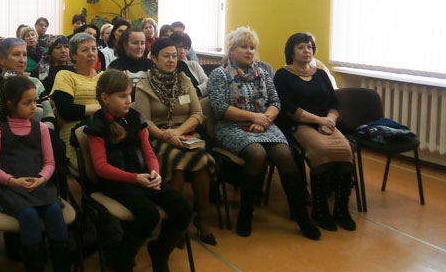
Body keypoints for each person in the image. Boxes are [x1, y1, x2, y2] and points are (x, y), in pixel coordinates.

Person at [206, 26, 320, 240]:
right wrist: (254, 117)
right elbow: (221, 109)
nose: (249, 51)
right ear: (232, 50)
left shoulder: (263, 73)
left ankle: (301, 215)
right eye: (244, 47)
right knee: (257, 154)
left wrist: (264, 119)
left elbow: (276, 102)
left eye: (252, 47)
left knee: (285, 154)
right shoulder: (219, 74)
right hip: (231, 126)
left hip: (264, 123)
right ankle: (245, 214)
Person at [85, 70, 192, 272]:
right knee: (148, 215)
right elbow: (101, 167)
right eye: (122, 96)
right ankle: (123, 261)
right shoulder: (97, 124)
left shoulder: (135, 117)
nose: (129, 100)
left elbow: (148, 151)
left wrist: (155, 173)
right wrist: (135, 178)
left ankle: (159, 253)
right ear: (105, 98)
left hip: (145, 178)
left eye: (130, 94)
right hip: (117, 183)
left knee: (182, 209)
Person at [0, 76, 79, 272]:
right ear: (10, 104)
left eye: (35, 101)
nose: (34, 107)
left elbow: (49, 163)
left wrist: (42, 178)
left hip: (39, 184)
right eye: (27, 103)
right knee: (27, 215)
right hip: (11, 188)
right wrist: (13, 181)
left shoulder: (41, 128)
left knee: (54, 212)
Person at [134, 39, 217, 245]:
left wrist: (178, 132)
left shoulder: (184, 80)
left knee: (202, 161)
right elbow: (144, 122)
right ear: (154, 59)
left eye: (174, 56)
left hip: (185, 133)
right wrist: (166, 136)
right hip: (158, 136)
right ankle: (177, 222)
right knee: (176, 163)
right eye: (166, 56)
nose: (172, 60)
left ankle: (202, 218)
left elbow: (197, 113)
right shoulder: (144, 85)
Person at [273, 32, 355, 231]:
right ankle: (319, 209)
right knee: (321, 151)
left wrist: (330, 120)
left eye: (309, 47)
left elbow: (335, 103)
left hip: (326, 124)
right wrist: (320, 120)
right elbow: (289, 108)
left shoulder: (320, 74)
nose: (306, 51)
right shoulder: (283, 75)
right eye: (301, 47)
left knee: (345, 151)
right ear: (291, 51)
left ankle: (341, 209)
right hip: (299, 125)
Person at [0, 37, 55, 131]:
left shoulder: (36, 83)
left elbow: (49, 118)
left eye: (24, 55)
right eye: (16, 55)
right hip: (2, 138)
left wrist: (40, 135)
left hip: (39, 137)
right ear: (2, 59)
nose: (22, 60)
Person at [50, 33, 102, 169]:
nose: (91, 53)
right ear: (73, 55)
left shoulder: (105, 76)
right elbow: (66, 111)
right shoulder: (65, 76)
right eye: (85, 50)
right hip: (77, 136)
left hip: (106, 130)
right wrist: (103, 109)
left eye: (94, 49)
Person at [108, 27, 152, 99]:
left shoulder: (151, 65)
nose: (139, 47)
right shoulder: (115, 66)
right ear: (125, 45)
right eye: (135, 43)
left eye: (142, 43)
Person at [170, 32, 209, 97]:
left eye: (185, 48)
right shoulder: (168, 65)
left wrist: (195, 91)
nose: (182, 51)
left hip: (197, 98)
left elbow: (208, 83)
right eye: (179, 47)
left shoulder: (193, 64)